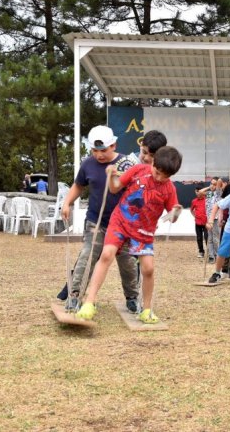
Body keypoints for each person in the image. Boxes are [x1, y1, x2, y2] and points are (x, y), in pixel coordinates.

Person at [75, 146, 183, 323]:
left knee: (148, 268)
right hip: (120, 222)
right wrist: (111, 176)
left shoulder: (169, 188)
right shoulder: (138, 170)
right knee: (107, 255)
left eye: (166, 176)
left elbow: (172, 218)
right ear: (153, 162)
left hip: (143, 232)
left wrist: (176, 213)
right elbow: (115, 188)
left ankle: (147, 310)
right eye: (157, 172)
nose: (160, 178)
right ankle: (89, 301)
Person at [58, 125, 140, 313]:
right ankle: (75, 296)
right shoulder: (88, 164)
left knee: (127, 261)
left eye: (103, 150)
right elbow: (78, 186)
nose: (99, 155)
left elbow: (137, 190)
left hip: (122, 223)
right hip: (96, 221)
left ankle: (132, 297)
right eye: (94, 150)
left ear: (113, 145)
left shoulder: (126, 164)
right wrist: (67, 203)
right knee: (87, 255)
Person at [197, 177, 224, 264]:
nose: (212, 186)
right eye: (211, 183)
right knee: (210, 238)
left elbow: (220, 184)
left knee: (216, 238)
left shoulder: (219, 193)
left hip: (216, 219)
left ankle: (217, 255)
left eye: (214, 184)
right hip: (209, 219)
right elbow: (200, 192)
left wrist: (217, 185)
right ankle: (211, 256)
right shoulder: (209, 194)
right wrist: (209, 187)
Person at [191, 189, 207, 258]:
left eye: (198, 191)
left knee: (207, 237)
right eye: (196, 192)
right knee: (199, 238)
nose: (197, 193)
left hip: (206, 223)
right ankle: (201, 251)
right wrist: (195, 216)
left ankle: (210, 252)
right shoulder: (194, 201)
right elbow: (191, 210)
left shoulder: (207, 200)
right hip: (198, 223)